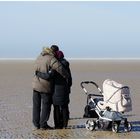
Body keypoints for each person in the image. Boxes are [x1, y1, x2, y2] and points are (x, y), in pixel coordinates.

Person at [32, 47, 69, 130]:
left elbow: (35, 68)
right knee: (46, 106)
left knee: (36, 106)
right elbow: (59, 68)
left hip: (35, 85)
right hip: (44, 86)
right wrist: (66, 75)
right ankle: (43, 124)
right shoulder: (51, 58)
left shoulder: (39, 56)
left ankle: (36, 124)